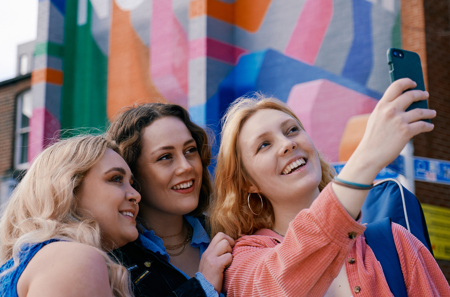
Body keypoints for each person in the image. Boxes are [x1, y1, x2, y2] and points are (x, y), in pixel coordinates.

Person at [209, 79, 450, 296]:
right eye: (264, 145)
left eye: (292, 130)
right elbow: (277, 286)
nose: (287, 144)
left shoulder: (397, 243)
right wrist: (368, 156)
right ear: (248, 183)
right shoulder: (241, 263)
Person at [107, 103, 234, 297]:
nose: (186, 167)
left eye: (190, 150)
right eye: (165, 157)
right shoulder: (114, 265)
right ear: (132, 173)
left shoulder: (231, 231)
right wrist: (203, 286)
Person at [0, 135, 141, 297]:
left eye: (132, 183)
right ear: (69, 188)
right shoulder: (74, 260)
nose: (136, 195)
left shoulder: (29, 264)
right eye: (116, 178)